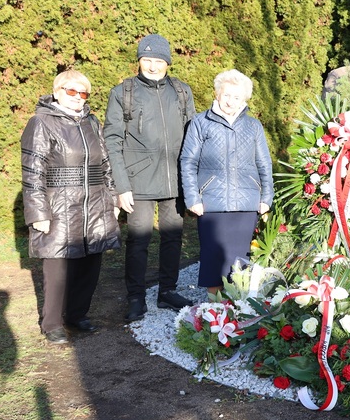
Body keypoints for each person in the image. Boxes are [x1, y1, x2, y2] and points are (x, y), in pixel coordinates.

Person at [21, 71, 121, 344]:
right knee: (58, 267)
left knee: (90, 264)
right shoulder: (41, 122)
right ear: (57, 92)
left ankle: (77, 314)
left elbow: (105, 166)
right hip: (60, 204)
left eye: (83, 93)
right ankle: (52, 322)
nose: (77, 97)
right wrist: (38, 213)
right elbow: (32, 171)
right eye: (71, 91)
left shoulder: (91, 121)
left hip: (95, 202)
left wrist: (113, 199)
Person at [104, 34, 196, 321]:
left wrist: (193, 182)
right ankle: (136, 297)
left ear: (167, 62)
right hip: (137, 181)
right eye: (147, 60)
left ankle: (167, 291)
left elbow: (194, 137)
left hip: (175, 179)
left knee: (172, 238)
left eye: (159, 61)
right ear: (139, 61)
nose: (153, 66)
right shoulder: (123, 92)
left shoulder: (181, 91)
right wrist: (122, 186)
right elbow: (112, 140)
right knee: (139, 241)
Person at [180, 69, 274, 294]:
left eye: (237, 97)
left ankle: (237, 314)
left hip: (246, 205)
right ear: (217, 93)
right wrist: (193, 198)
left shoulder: (253, 127)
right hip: (211, 204)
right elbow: (188, 161)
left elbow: (264, 164)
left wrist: (266, 198)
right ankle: (213, 314)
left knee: (239, 264)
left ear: (244, 99)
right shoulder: (200, 123)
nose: (230, 101)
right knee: (213, 263)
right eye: (227, 95)